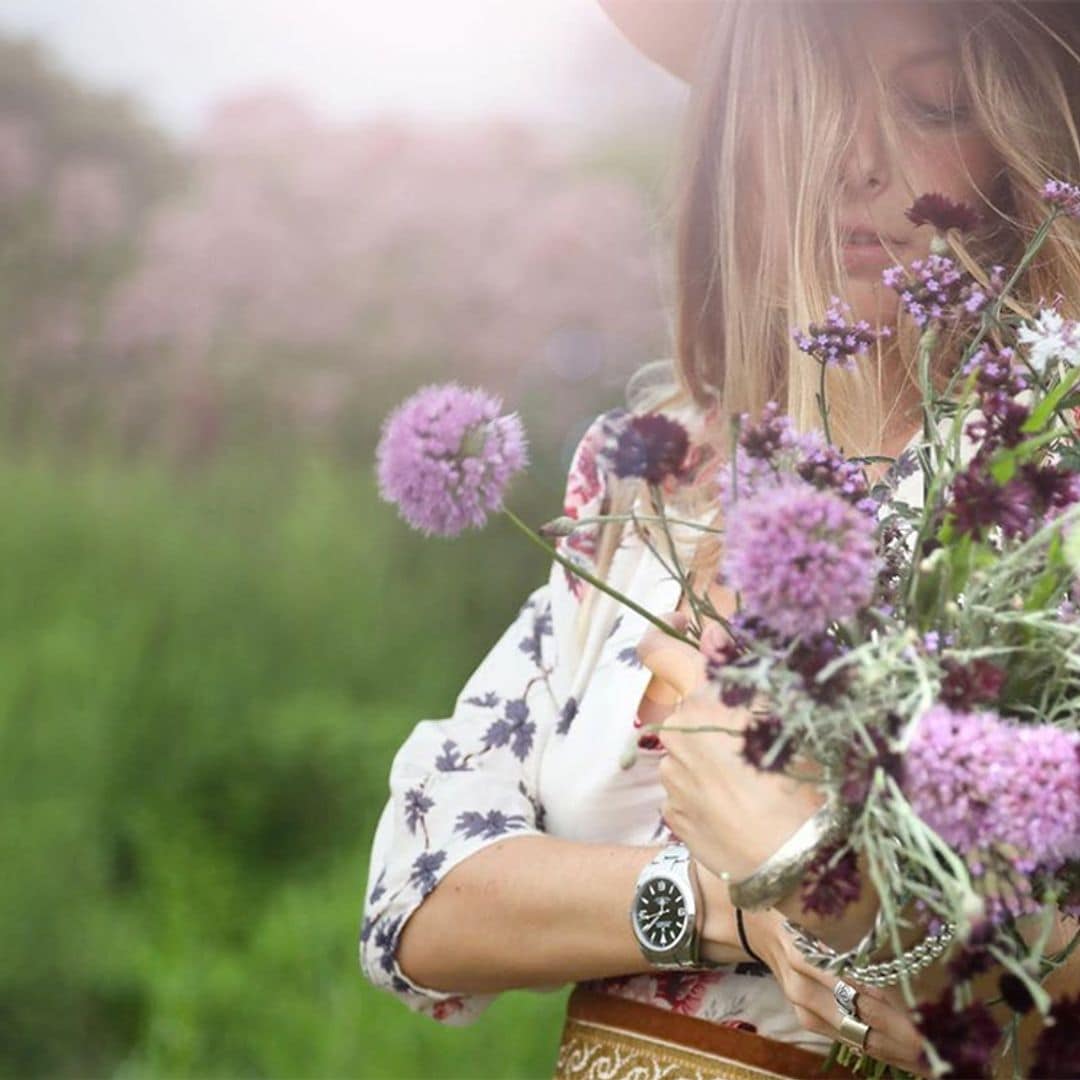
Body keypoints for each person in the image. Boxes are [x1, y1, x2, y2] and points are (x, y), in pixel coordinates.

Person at [360, 2, 1080, 1076]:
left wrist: (818, 881)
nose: (858, 162)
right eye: (809, 101)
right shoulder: (650, 471)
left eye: (933, 102)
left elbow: (1001, 1005)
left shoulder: (1038, 492)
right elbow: (415, 896)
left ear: (1022, 140)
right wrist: (727, 899)